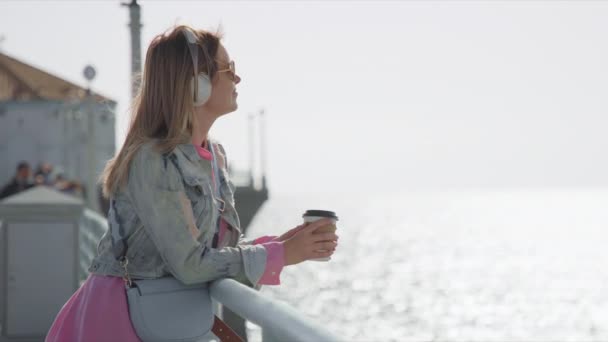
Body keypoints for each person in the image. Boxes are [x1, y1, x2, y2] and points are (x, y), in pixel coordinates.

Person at [46, 25, 339, 341]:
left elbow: (216, 255)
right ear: (197, 85)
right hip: (122, 319)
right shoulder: (151, 160)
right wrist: (279, 255)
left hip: (163, 317)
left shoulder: (214, 156)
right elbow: (190, 264)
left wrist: (282, 245)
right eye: (229, 70)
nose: (237, 79)